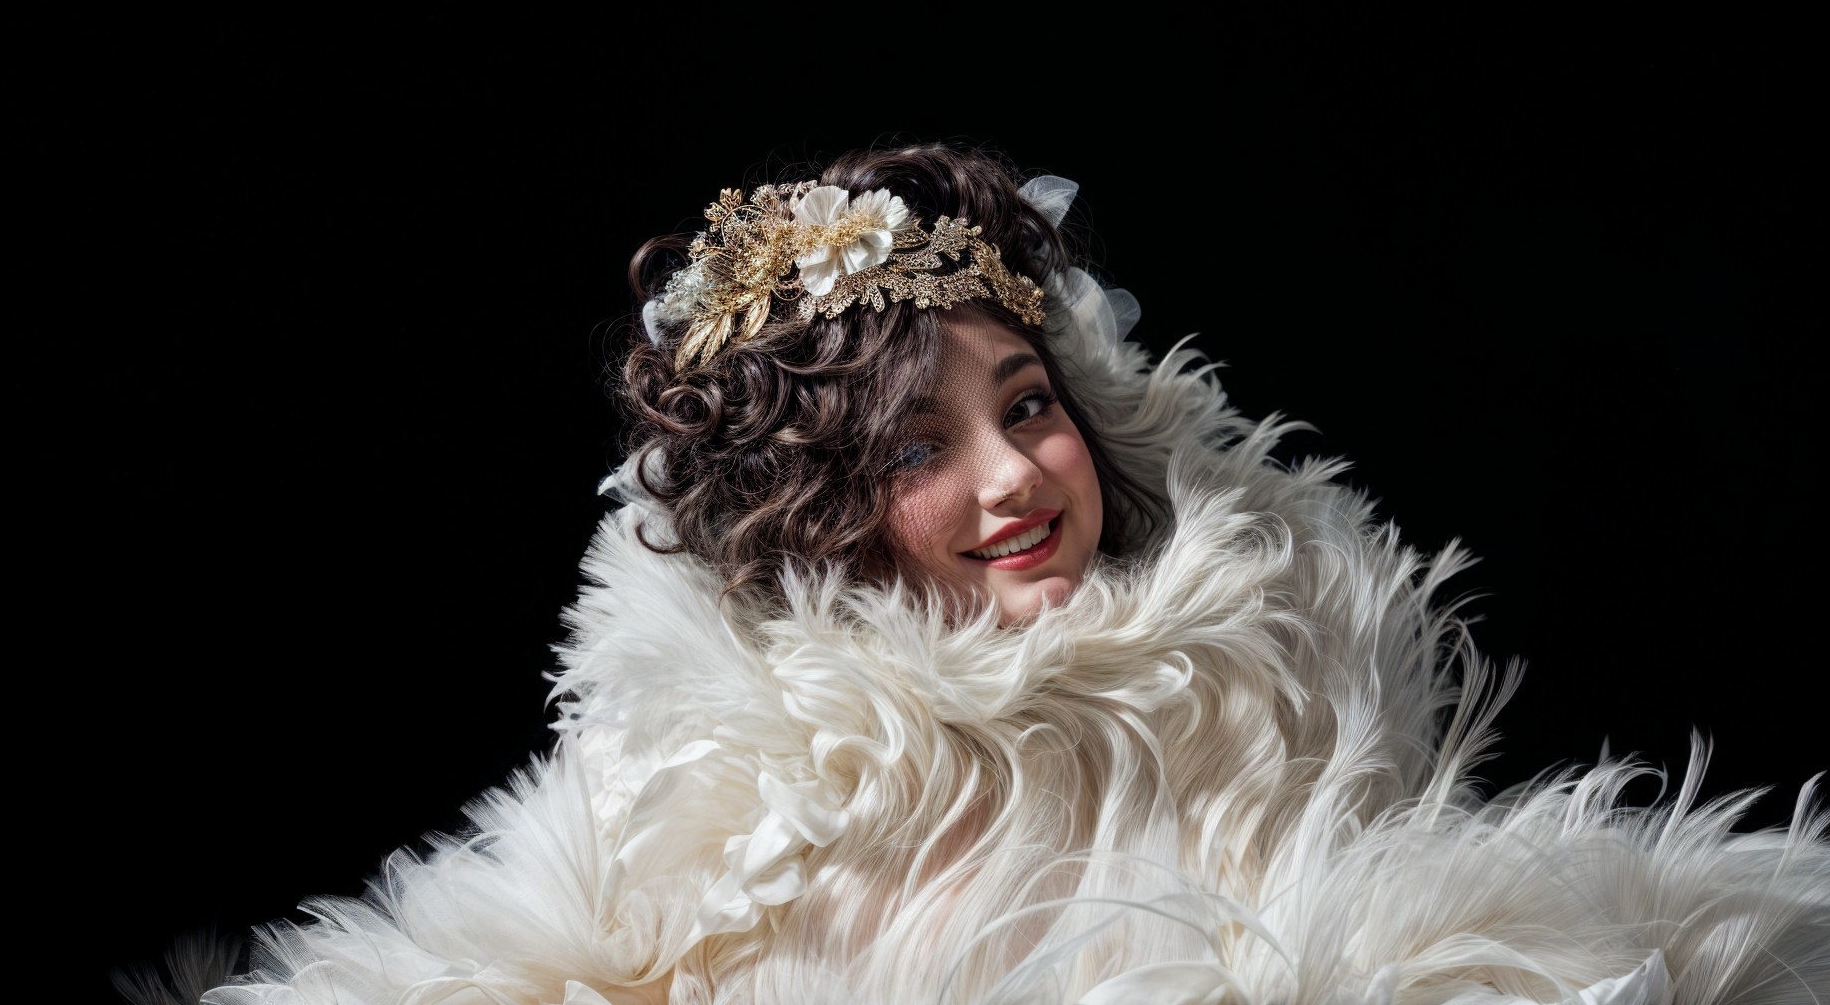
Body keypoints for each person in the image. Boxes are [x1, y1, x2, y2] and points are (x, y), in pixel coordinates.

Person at [135, 142, 1827, 1003]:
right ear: (823, 516)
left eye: (1028, 408)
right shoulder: (730, 781)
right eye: (917, 451)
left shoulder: (1251, 661)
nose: (1017, 477)